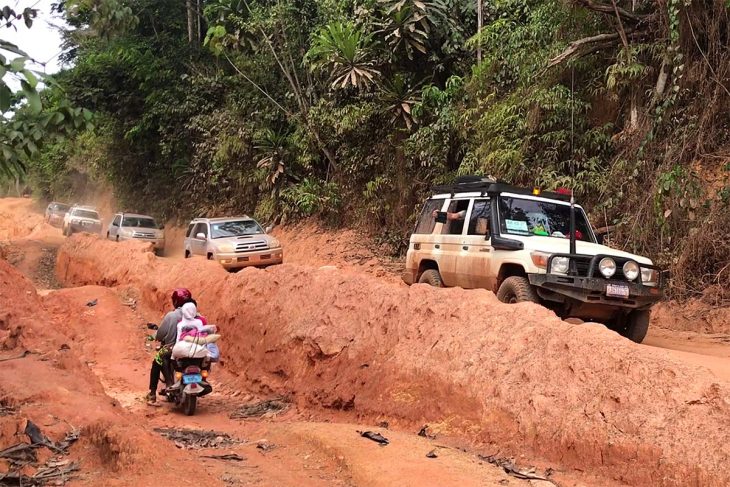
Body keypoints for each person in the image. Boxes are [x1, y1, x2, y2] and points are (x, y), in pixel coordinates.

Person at [146, 288, 195, 404]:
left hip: (173, 347)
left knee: (157, 360)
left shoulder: (171, 316)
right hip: (193, 347)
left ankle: (153, 393)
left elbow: (161, 333)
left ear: (176, 301)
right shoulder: (196, 315)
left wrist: (155, 336)